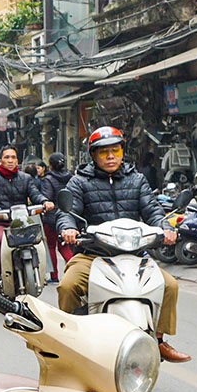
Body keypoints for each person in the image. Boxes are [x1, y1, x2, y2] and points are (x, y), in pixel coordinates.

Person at [54, 127, 189, 362]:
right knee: (68, 285)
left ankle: (158, 340)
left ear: (122, 152)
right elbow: (68, 212)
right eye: (103, 152)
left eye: (115, 150)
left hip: (133, 254)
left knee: (170, 285)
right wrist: (68, 227)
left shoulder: (136, 179)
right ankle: (66, 340)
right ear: (93, 155)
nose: (110, 156)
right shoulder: (79, 182)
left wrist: (166, 227)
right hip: (93, 254)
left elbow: (152, 210)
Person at [0, 146, 52, 290]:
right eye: (7, 157)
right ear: (0, 161)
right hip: (0, 221)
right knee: (1, 241)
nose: (10, 160)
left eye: (13, 157)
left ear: (17, 161)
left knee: (37, 239)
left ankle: (39, 271)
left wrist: (45, 201)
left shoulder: (25, 178)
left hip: (22, 221)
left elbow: (35, 194)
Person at [44, 153, 72, 277]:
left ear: (50, 166)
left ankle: (54, 275)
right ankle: (73, 272)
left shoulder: (49, 179)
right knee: (64, 246)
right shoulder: (71, 177)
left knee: (50, 246)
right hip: (68, 215)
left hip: (52, 218)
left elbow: (47, 198)